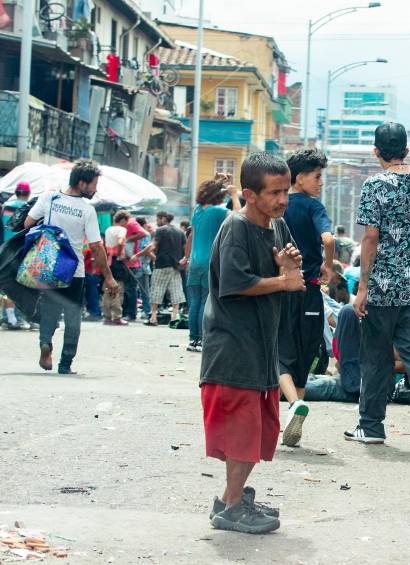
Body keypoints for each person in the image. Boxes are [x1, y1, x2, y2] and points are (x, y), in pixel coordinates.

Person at [199, 152, 304, 535]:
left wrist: (291, 266)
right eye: (275, 193)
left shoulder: (276, 226)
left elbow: (292, 270)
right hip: (232, 347)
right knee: (241, 434)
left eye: (285, 191)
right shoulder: (236, 228)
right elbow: (234, 283)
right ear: (249, 194)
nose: (282, 200)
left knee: (258, 431)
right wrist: (283, 281)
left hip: (262, 344)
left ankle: (234, 497)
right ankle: (231, 506)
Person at [345, 122, 410, 454]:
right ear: (406, 149)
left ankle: (372, 426)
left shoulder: (374, 185)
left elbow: (371, 237)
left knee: (376, 356)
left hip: (384, 287)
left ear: (376, 151)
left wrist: (362, 287)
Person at [24, 159, 119, 374]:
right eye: (94, 184)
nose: (96, 190)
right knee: (72, 316)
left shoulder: (49, 197)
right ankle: (65, 363)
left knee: (50, 311)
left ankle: (45, 343)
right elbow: (96, 246)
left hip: (48, 266)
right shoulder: (86, 210)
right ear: (83, 183)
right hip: (73, 271)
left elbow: (28, 223)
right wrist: (108, 276)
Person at [277, 148, 334, 447]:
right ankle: (293, 416)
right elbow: (328, 238)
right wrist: (329, 266)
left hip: (284, 288)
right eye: (317, 176)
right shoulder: (314, 207)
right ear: (299, 177)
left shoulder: (281, 205)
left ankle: (292, 408)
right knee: (304, 356)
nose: (321, 183)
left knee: (279, 353)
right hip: (311, 291)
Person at [180, 174, 240, 352]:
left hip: (195, 262)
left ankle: (194, 340)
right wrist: (234, 195)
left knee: (195, 302)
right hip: (210, 262)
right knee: (206, 302)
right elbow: (239, 215)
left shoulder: (198, 210)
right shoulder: (218, 212)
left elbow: (191, 236)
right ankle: (203, 340)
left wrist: (219, 182)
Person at [134, 212, 186, 326]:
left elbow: (152, 246)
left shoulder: (160, 230)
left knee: (156, 291)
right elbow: (185, 248)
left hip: (161, 265)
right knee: (176, 291)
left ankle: (153, 318)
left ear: (163, 218)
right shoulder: (180, 232)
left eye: (158, 219)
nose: (157, 222)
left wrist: (137, 255)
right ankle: (174, 317)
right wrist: (184, 260)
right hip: (176, 266)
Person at [1, 182, 31, 328]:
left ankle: (5, 317)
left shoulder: (5, 206)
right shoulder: (28, 207)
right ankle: (17, 318)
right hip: (20, 250)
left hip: (4, 248)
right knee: (19, 284)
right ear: (28, 193)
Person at [102, 210, 130, 326]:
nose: (127, 224)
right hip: (117, 261)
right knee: (118, 289)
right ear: (123, 220)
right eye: (126, 221)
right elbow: (120, 241)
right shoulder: (122, 230)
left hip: (108, 261)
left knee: (107, 288)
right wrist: (119, 254)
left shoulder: (108, 229)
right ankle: (117, 316)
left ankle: (107, 316)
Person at [123, 213, 150, 321]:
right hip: (140, 264)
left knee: (135, 289)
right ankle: (146, 312)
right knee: (139, 290)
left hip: (138, 264)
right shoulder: (143, 234)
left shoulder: (142, 234)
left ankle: (145, 312)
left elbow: (146, 248)